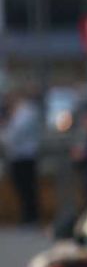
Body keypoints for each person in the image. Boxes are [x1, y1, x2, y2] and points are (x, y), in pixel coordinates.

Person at [0, 91, 41, 225]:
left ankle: (31, 217)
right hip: (17, 156)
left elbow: (13, 135)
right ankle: (27, 216)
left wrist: (4, 130)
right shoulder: (18, 113)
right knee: (22, 188)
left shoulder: (26, 113)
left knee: (27, 188)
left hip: (25, 157)